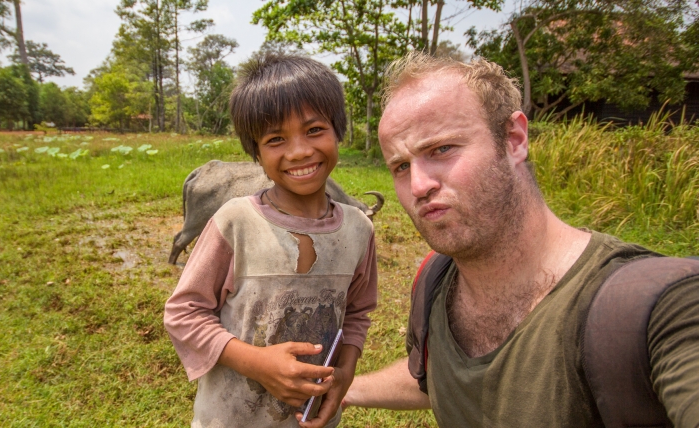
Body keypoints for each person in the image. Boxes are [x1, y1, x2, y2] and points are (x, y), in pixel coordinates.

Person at [341, 51, 699, 426]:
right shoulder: (435, 280)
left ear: (513, 139)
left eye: (442, 149)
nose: (418, 186)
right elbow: (440, 378)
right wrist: (349, 390)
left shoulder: (659, 309)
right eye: (401, 166)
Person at [164, 53, 378, 428]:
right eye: (276, 138)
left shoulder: (360, 230)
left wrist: (344, 373)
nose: (299, 151)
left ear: (338, 131)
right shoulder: (235, 222)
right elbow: (183, 313)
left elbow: (357, 313)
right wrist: (257, 363)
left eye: (314, 130)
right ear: (256, 153)